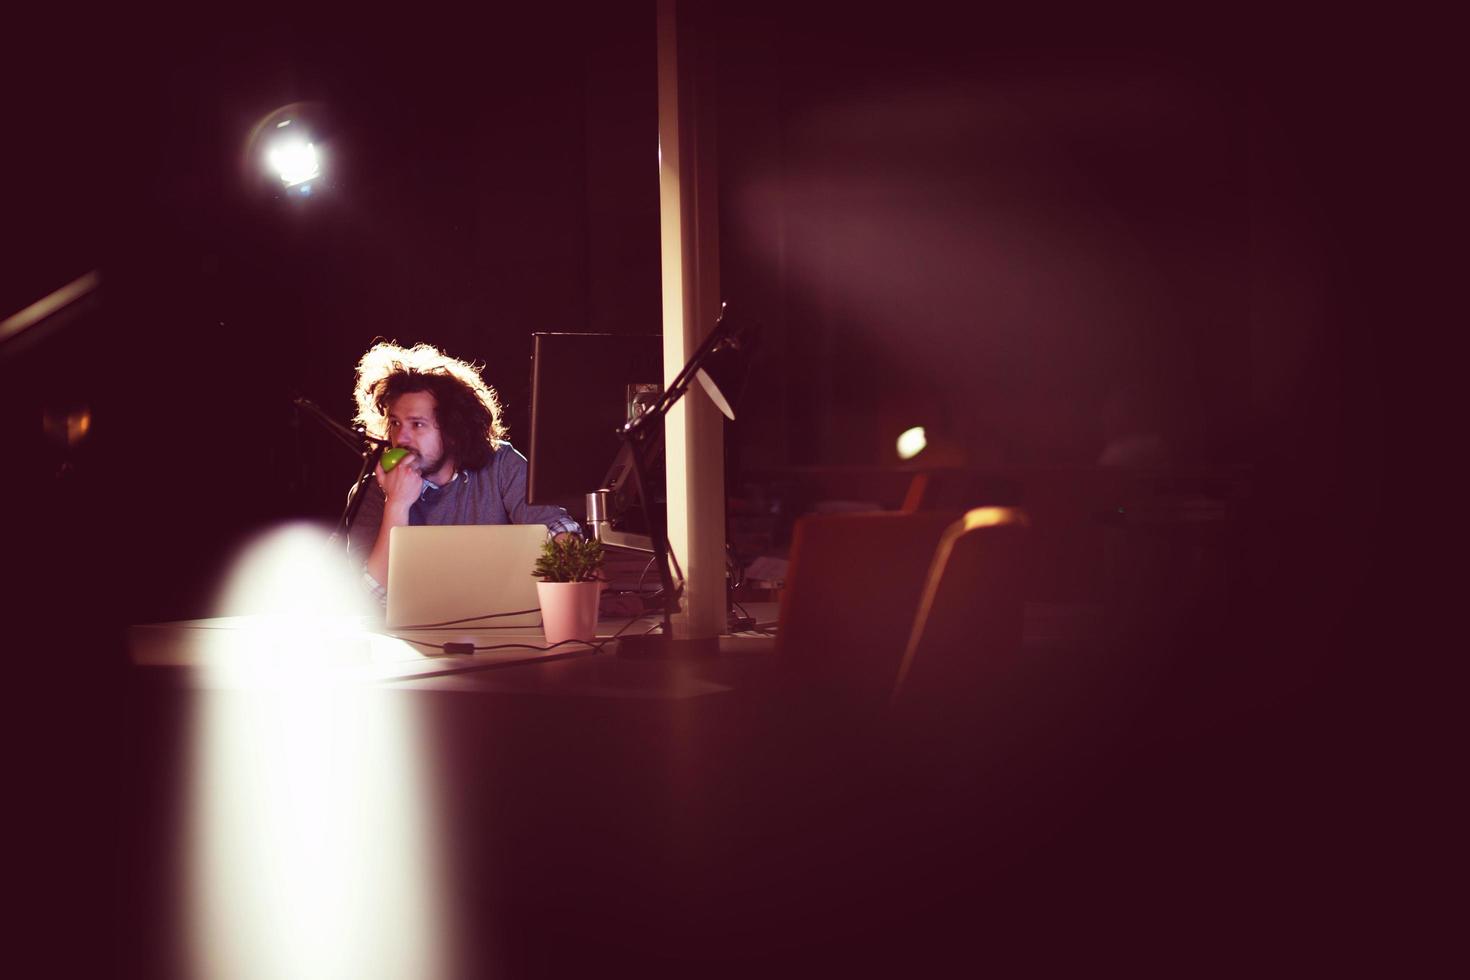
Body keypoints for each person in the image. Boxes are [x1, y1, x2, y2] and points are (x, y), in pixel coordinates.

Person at [344, 340, 580, 600]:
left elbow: (558, 528)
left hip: (504, 628)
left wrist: (571, 571)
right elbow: (367, 594)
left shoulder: (501, 464)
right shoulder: (373, 488)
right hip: (403, 637)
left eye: (418, 424)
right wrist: (396, 505)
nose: (401, 438)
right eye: (396, 423)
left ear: (453, 430)